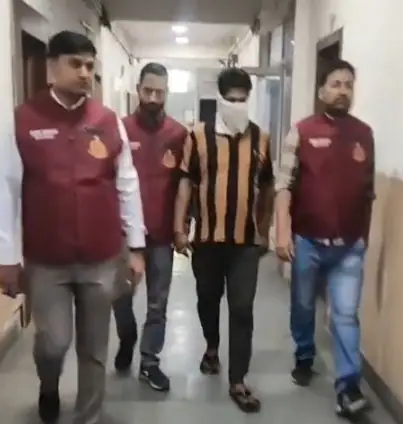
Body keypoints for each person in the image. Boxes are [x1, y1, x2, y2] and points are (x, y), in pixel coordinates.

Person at [0, 31, 146, 424]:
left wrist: (135, 247)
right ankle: (48, 384)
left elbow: (127, 185)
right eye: (75, 64)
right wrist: (7, 257)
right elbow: (6, 190)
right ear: (52, 67)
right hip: (47, 260)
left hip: (101, 257)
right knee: (53, 342)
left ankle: (88, 417)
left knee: (94, 349)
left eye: (89, 66)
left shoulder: (108, 121)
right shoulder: (22, 121)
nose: (84, 73)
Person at [274, 59, 375, 419]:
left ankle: (348, 387)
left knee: (346, 315)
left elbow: (368, 191)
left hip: (349, 247)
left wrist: (363, 236)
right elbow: (284, 185)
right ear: (321, 91)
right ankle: (304, 353)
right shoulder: (301, 131)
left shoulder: (364, 134)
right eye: (336, 84)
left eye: (348, 84)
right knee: (303, 305)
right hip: (308, 242)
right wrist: (282, 231)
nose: (343, 90)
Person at [174, 68, 274, 413]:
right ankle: (212, 347)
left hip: (245, 242)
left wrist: (265, 229)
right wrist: (179, 227)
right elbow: (186, 182)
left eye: (242, 99)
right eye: (231, 99)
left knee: (242, 308)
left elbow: (268, 186)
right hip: (207, 239)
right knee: (207, 299)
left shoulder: (261, 138)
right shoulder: (198, 137)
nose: (237, 105)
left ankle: (238, 380)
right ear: (220, 100)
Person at [112, 63, 188, 392]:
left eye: (160, 92)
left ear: (167, 92)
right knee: (120, 297)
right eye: (148, 91)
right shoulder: (119, 129)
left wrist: (182, 226)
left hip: (160, 236)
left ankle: (149, 360)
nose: (154, 98)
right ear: (138, 90)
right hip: (123, 236)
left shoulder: (179, 134)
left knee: (158, 302)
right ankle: (127, 337)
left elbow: (185, 185)